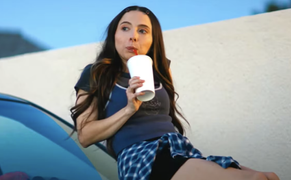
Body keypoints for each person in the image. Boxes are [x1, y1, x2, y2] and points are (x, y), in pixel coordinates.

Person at [70, 5, 280, 180]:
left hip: (177, 149)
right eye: (125, 28)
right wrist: (128, 109)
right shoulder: (96, 73)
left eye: (143, 30)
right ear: (114, 34)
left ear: (153, 40)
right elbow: (86, 135)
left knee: (269, 176)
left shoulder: (160, 71)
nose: (133, 36)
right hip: (140, 158)